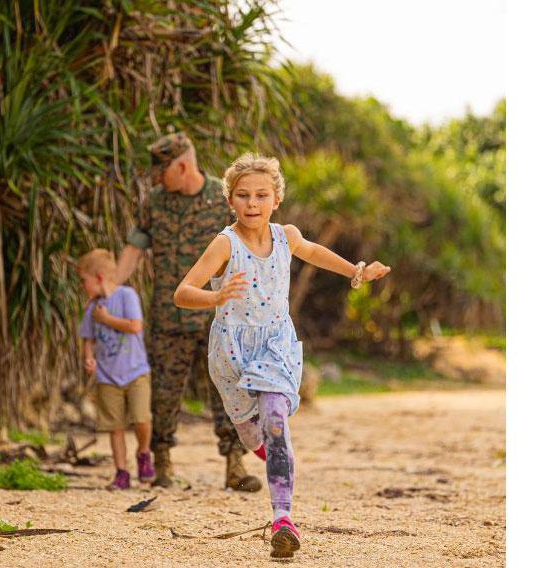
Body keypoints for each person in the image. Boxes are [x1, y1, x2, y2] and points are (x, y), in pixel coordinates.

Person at [173, 153, 391, 559]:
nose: (252, 204)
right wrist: (216, 296)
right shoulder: (225, 243)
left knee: (275, 421)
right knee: (254, 435)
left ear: (276, 199)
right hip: (232, 352)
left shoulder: (286, 235)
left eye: (261, 195)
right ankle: (275, 455)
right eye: (242, 196)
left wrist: (357, 271)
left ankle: (283, 520)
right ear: (230, 200)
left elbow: (315, 252)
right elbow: (182, 292)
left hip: (275, 344)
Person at [114, 132, 261, 491]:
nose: (158, 181)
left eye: (162, 172)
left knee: (228, 390)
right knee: (163, 392)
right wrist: (111, 287)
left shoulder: (221, 199)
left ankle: (235, 467)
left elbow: (249, 245)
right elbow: (135, 247)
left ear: (182, 166)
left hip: (219, 318)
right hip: (169, 316)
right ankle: (161, 464)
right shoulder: (156, 203)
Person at [77, 249, 155, 490]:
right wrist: (89, 358)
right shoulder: (92, 309)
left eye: (84, 281)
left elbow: (135, 326)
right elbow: (88, 339)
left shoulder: (126, 295)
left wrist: (107, 319)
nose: (82, 286)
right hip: (108, 376)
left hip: (135, 372)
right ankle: (121, 472)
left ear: (99, 277)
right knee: (115, 426)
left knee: (142, 418)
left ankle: (143, 452)